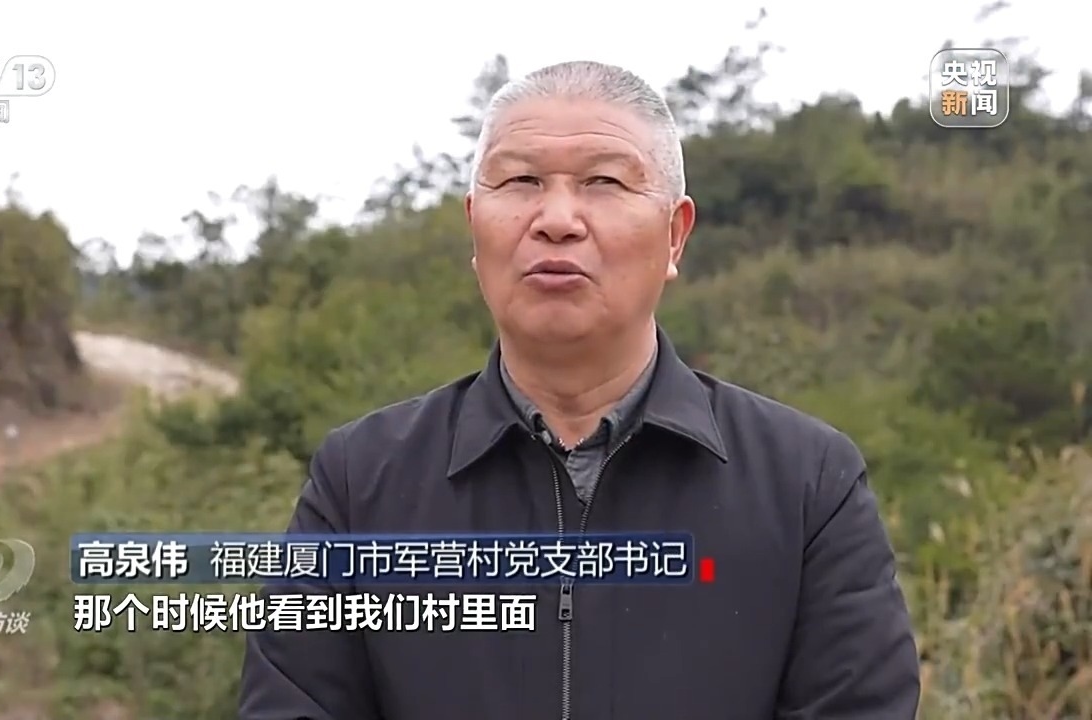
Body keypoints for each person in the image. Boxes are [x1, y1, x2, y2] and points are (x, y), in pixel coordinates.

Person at [238, 60, 920, 720]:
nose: (557, 218)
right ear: (474, 226)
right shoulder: (361, 480)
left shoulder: (807, 484)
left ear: (675, 235)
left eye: (603, 182)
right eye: (521, 180)